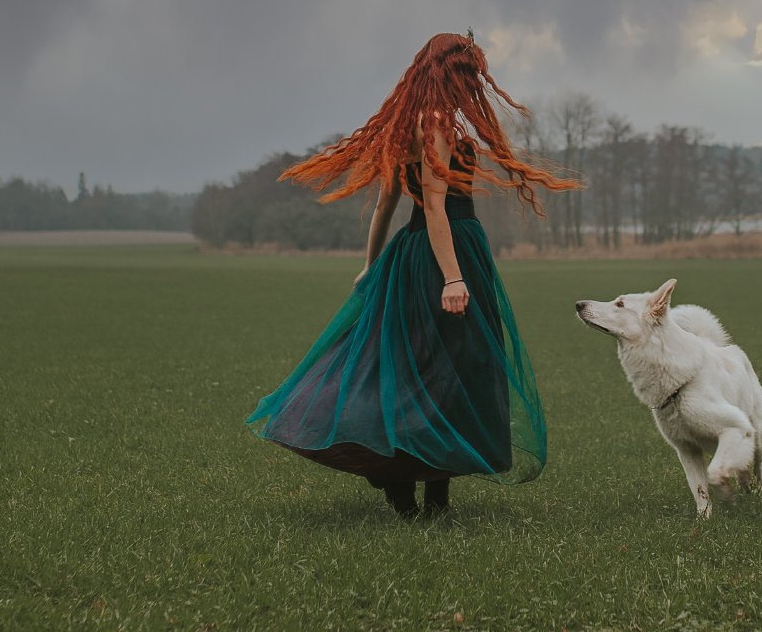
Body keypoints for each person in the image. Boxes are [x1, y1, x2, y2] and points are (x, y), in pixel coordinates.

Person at [246, 32, 578, 518]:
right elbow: (436, 207)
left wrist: (369, 266)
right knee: (446, 372)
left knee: (415, 370)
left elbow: (384, 207)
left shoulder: (412, 123)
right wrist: (453, 278)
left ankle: (422, 491)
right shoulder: (438, 123)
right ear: (453, 74)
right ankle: (417, 491)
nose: (477, 83)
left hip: (418, 255)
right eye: (470, 74)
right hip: (445, 256)